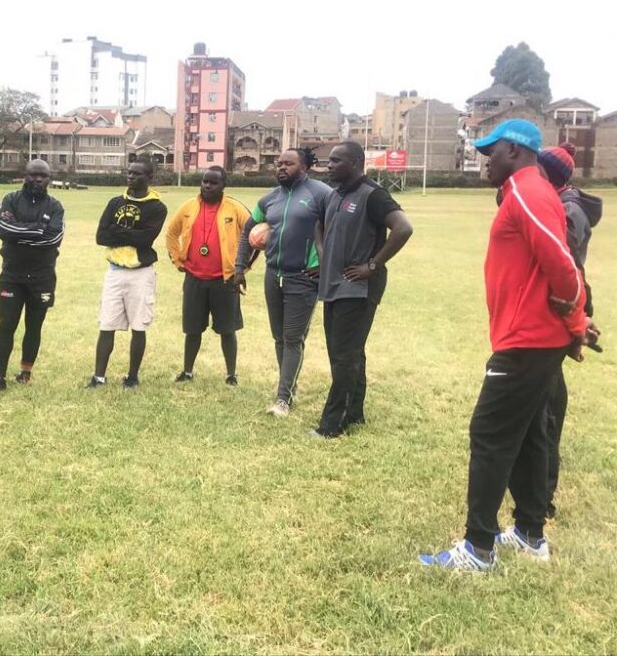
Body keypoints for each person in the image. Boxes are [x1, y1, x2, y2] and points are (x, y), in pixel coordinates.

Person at [419, 120, 596, 571]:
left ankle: (478, 548)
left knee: (490, 434)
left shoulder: (528, 192)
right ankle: (530, 535)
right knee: (531, 434)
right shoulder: (528, 191)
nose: (484, 161)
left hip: (527, 340)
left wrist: (576, 323)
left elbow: (563, 265)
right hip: (533, 337)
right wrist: (573, 326)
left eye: (490, 152)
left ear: (514, 150)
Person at [313, 141, 413, 438]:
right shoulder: (334, 194)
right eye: (329, 160)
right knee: (347, 351)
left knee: (344, 355)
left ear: (356, 163)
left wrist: (373, 265)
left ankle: (333, 424)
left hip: (358, 288)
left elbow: (403, 228)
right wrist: (322, 252)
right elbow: (319, 224)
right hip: (333, 284)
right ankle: (354, 413)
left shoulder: (373, 195)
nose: (329, 165)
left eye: (336, 160)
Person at [234, 147, 332, 414]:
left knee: (292, 338)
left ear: (304, 167)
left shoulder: (321, 194)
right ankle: (288, 388)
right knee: (279, 337)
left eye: (288, 163)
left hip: (303, 278)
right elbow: (246, 232)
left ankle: (283, 399)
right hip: (273, 275)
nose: (281, 167)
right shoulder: (269, 199)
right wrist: (240, 267)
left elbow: (338, 229)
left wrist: (323, 263)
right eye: (279, 163)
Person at [536, 145, 602, 518]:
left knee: (547, 406)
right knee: (546, 396)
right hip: (559, 313)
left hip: (560, 313)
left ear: (548, 173)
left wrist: (577, 323)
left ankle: (542, 497)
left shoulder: (567, 211)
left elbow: (568, 267)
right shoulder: (560, 203)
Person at [165, 166, 250, 385]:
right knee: (192, 329)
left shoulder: (235, 208)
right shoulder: (189, 207)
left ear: (223, 186)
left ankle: (231, 374)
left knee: (227, 330)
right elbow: (171, 233)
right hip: (194, 278)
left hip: (225, 280)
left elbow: (254, 236)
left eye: (213, 183)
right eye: (205, 181)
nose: (207, 186)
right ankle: (187, 371)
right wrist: (177, 259)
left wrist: (241, 269)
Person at [88, 161, 168, 388]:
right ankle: (99, 377)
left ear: (149, 178)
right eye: (129, 172)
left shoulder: (157, 207)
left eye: (137, 174)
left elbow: (146, 239)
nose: (131, 176)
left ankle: (132, 377)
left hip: (140, 273)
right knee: (106, 324)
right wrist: (132, 233)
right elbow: (101, 237)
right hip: (115, 271)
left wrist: (117, 230)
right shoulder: (115, 202)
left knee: (139, 326)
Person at [0, 159, 65, 392]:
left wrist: (20, 233)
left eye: (43, 176)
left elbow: (53, 238)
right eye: (33, 175)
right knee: (7, 325)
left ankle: (25, 372)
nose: (38, 179)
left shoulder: (55, 206)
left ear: (49, 178)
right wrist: (37, 229)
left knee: (34, 326)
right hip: (12, 275)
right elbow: (3, 229)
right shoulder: (10, 200)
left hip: (42, 277)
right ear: (25, 175)